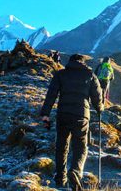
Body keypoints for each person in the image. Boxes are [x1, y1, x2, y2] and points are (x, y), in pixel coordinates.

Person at [40, 54, 103, 190]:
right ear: (83, 62)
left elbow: (51, 94)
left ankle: (60, 177)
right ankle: (75, 171)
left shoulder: (61, 74)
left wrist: (45, 114)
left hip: (63, 114)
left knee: (61, 146)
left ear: (70, 62)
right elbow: (97, 96)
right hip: (81, 116)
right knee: (80, 146)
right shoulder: (90, 75)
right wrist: (99, 109)